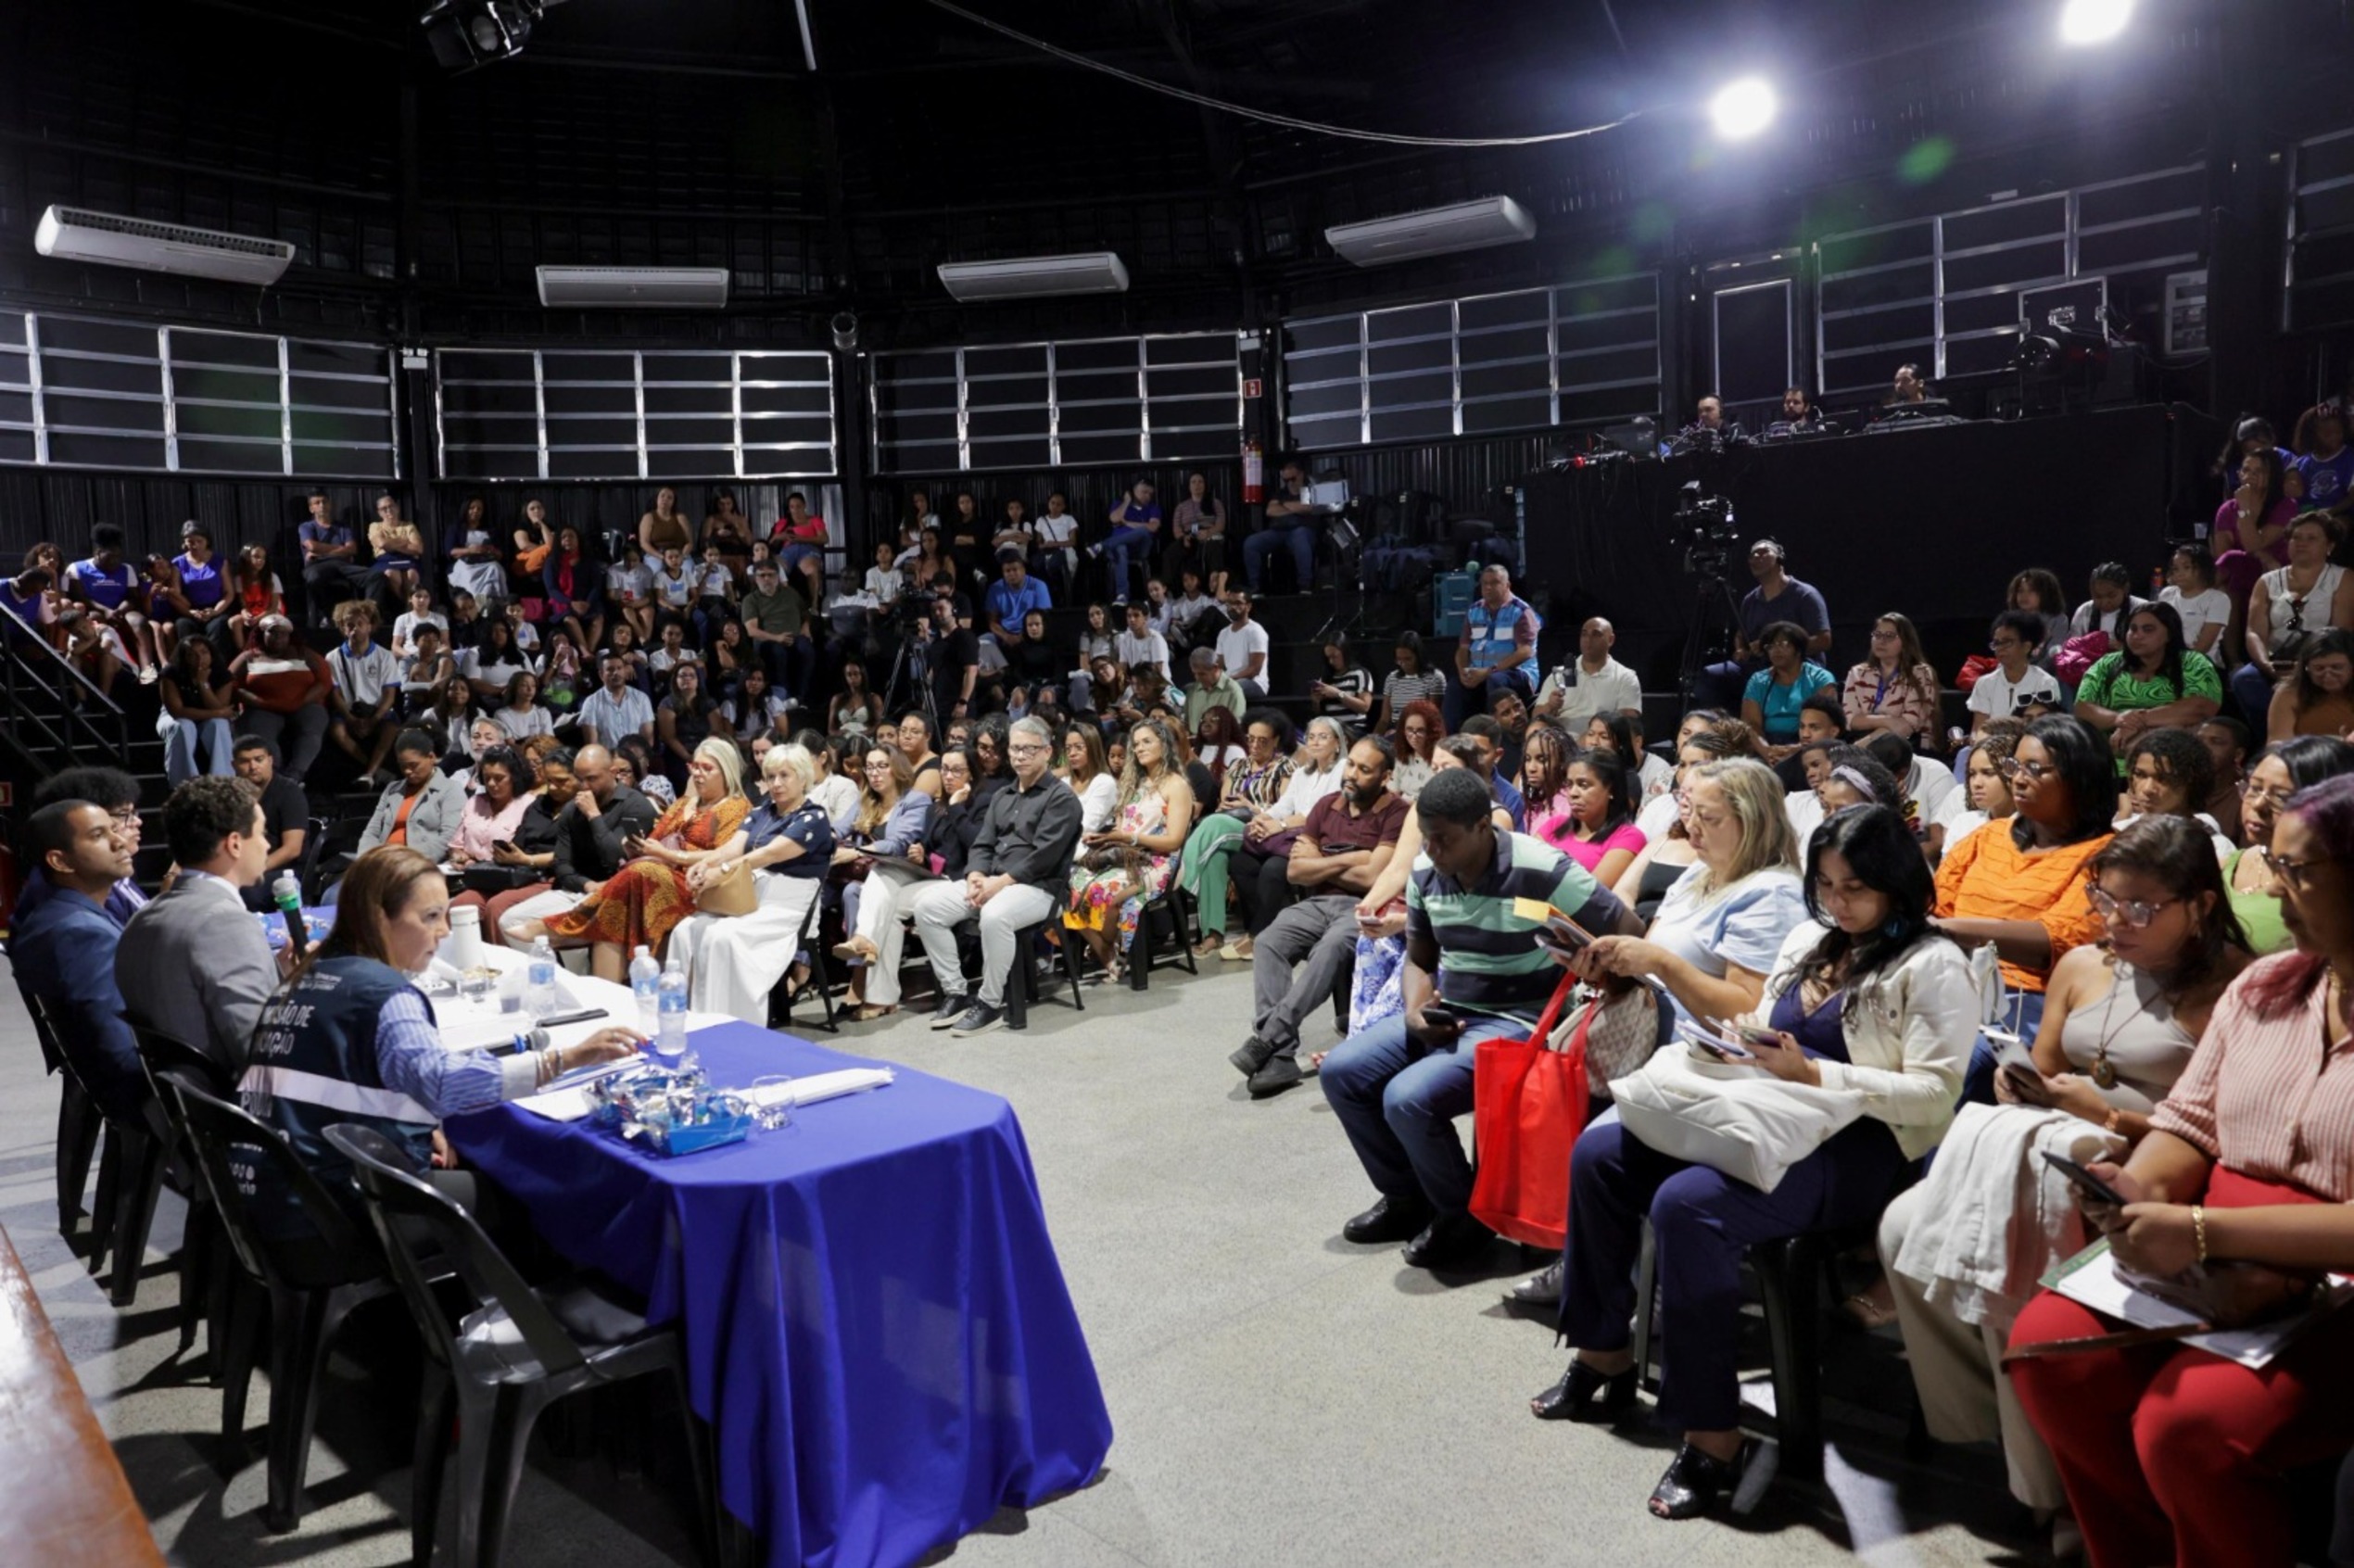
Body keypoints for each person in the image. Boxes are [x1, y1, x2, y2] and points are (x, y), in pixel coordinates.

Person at [1540, 804, 1968, 1522]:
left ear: (1899, 884)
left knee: (1688, 1204)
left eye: (1855, 888)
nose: (1838, 902)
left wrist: (1816, 1077)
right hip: (1767, 1115)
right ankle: (1602, 1354)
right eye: (1826, 885)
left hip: (1860, 1145)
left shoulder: (1933, 964)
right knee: (1600, 1153)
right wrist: (1736, 1045)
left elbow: (1935, 1096)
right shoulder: (1812, 938)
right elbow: (1759, 1026)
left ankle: (1714, 1435)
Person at [2004, 776, 2354, 1568]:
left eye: (2299, 869)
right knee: (2048, 1348)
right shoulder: (2268, 986)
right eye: (2269, 862)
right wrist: (2138, 1191)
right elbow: (2190, 1122)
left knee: (2187, 1425)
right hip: (2217, 1252)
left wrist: (2199, 1228)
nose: (2271, 884)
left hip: (2332, 1281)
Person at [1879, 816, 2251, 1536]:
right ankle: (1993, 1420)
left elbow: (2229, 1135)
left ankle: (2054, 1488)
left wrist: (2110, 1118)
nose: (2116, 921)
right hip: (2056, 1145)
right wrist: (2027, 1086)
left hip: (2159, 1172)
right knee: (1900, 1227)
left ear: (2200, 905)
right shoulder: (2084, 965)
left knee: (2010, 1247)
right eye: (2104, 901)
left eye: (2139, 908)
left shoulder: (2233, 988)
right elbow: (2048, 1068)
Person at [244, 846, 644, 1240]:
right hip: (333, 1213)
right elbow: (440, 1082)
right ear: (379, 919)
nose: (445, 931)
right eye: (431, 916)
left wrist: (418, 1116)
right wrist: (565, 1059)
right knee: (542, 1195)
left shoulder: (302, 979)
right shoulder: (385, 997)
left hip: (270, 1193)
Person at [1321, 767, 1634, 1269]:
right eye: (1426, 837)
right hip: (1454, 1007)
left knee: (1407, 1098)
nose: (1432, 850)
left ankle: (1466, 1217)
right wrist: (1416, 1008)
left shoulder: (1540, 866)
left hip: (1520, 1018)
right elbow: (1420, 958)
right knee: (1341, 1072)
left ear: (1483, 828)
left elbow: (1628, 928)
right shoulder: (1426, 870)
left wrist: (1591, 963)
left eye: (1444, 839)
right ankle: (1407, 1198)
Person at [1933, 714, 2120, 1102]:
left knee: (1950, 1064)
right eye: (2015, 765)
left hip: (2031, 1007)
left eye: (2035, 769)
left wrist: (1962, 934)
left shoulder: (2105, 856)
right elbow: (1939, 909)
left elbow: (2057, 942)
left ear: (2079, 778)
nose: (2018, 778)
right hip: (1957, 985)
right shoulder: (1988, 837)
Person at [1231, 737, 1409, 1097]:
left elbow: (1374, 878)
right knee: (1268, 941)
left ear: (1385, 776)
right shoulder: (1326, 806)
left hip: (1365, 905)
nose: (1353, 775)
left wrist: (1323, 863)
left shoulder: (1398, 813)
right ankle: (1280, 1055)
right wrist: (1354, 858)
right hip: (1316, 904)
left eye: (1364, 769)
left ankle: (1269, 1038)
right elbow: (1295, 871)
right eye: (1351, 765)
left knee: (1328, 949)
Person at [513, 737, 750, 980]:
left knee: (642, 872)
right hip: (657, 873)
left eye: (707, 768)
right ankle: (608, 1003)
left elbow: (723, 855)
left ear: (726, 771)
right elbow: (654, 839)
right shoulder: (683, 804)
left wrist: (667, 854)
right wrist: (636, 847)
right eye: (694, 767)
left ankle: (567, 927)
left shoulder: (735, 807)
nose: (698, 774)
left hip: (696, 881)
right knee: (625, 897)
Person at [907, 716, 1085, 1037]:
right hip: (992, 882)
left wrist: (997, 884)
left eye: (1028, 749)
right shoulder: (1003, 795)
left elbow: (1043, 857)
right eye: (1015, 749)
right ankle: (957, 991)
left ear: (1047, 752)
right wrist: (976, 874)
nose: (1019, 756)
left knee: (994, 915)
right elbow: (982, 843)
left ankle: (990, 1003)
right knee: (927, 907)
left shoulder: (1061, 798)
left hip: (1040, 889)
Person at [110, 776, 276, 1077]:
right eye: (262, 832)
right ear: (235, 844)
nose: (267, 844)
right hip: (234, 1109)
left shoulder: (143, 918)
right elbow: (263, 1053)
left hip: (181, 1107)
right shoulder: (225, 924)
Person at [670, 743, 836, 1024]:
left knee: (722, 937)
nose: (776, 783)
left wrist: (721, 870)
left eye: (785, 775)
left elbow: (768, 854)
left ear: (803, 777)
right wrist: (703, 865)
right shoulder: (761, 811)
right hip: (751, 894)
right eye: (771, 776)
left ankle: (732, 1022)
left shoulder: (814, 817)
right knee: (686, 929)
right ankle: (686, 1016)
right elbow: (732, 848)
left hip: (788, 906)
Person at [12, 799, 145, 1119]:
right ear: (60, 861)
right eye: (99, 835)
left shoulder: (61, 916)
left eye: (115, 830)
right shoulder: (80, 933)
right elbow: (121, 1054)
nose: (119, 841)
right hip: (146, 1100)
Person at [1064, 716, 1196, 980]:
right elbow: (1123, 831)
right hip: (1127, 858)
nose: (1140, 748)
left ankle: (1106, 950)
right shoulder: (1132, 783)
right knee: (1067, 886)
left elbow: (1173, 841)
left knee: (1109, 892)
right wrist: (1109, 840)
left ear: (1164, 745)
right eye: (1136, 744)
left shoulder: (1176, 785)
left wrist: (1129, 838)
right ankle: (1106, 950)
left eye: (1147, 741)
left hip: (1161, 862)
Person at [1221, 716, 1348, 956]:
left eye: (1323, 737)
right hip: (1291, 835)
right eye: (1311, 737)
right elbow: (1284, 804)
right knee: (1240, 863)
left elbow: (1320, 811)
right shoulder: (1302, 773)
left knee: (1273, 869)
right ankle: (1271, 929)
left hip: (1320, 839)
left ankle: (1257, 937)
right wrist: (1262, 820)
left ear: (1337, 743)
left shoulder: (1342, 769)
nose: (1315, 742)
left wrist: (1279, 825)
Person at [829, 743, 936, 1020]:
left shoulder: (915, 800)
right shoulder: (865, 800)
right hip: (869, 875)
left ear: (896, 768)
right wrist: (820, 834)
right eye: (870, 767)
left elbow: (899, 843)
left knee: (866, 884)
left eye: (882, 766)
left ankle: (860, 968)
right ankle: (861, 963)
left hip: (905, 871)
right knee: (852, 890)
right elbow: (838, 829)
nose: (875, 773)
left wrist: (855, 851)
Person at [2221, 735, 2354, 957]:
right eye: (2254, 788)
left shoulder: (2332, 887)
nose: (2258, 804)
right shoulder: (2227, 865)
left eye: (2282, 797)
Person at [2235, 512, 2354, 724]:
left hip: (2321, 659)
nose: (2301, 543)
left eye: (2311, 538)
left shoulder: (2343, 578)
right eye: (2296, 537)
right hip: (2276, 660)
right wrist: (2266, 665)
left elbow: (2340, 631)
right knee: (2244, 679)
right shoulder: (2266, 581)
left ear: (2329, 546)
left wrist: (2304, 667)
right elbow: (2254, 632)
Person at [2074, 601, 2222, 768]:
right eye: (2133, 629)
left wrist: (2140, 722)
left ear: (2169, 634)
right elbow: (2083, 708)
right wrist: (2119, 719)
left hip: (2171, 760)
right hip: (2110, 755)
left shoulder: (2193, 662)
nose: (2137, 635)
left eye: (2148, 629)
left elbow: (2200, 707)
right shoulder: (2108, 663)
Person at [451, 746, 576, 941]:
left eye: (559, 781)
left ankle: (503, 965)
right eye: (549, 781)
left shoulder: (580, 808)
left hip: (550, 877)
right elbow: (520, 841)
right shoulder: (540, 804)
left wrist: (527, 859)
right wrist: (507, 855)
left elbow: (566, 854)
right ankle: (467, 963)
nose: (552, 787)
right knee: (462, 903)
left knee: (497, 906)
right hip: (518, 873)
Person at [1701, 539, 1832, 709]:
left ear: (1779, 558)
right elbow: (1741, 635)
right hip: (1759, 665)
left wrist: (1781, 649)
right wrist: (1741, 650)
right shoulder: (1750, 600)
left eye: (1763, 552)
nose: (1756, 557)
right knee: (1711, 676)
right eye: (1752, 554)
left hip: (1799, 664)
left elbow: (1824, 640)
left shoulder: (1805, 595)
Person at [230, 614, 332, 781]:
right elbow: (231, 684)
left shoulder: (304, 654)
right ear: (262, 633)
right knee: (262, 735)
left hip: (303, 705)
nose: (278, 637)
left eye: (283, 633)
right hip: (263, 708)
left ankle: (295, 774)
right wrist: (259, 701)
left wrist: (300, 701)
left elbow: (324, 681)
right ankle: (274, 776)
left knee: (313, 725)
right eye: (273, 632)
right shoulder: (249, 657)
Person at [353, 731, 467, 867]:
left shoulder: (450, 789)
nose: (407, 771)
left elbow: (448, 837)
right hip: (382, 863)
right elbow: (372, 831)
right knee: (336, 889)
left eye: (413, 765)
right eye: (402, 766)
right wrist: (365, 859)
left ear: (431, 757)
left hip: (419, 866)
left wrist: (407, 862)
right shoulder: (392, 789)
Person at [1451, 563, 1542, 723]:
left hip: (1517, 673)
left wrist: (1488, 672)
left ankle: (1496, 735)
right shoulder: (1474, 610)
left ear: (1507, 585)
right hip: (1480, 672)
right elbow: (1463, 648)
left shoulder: (1521, 611)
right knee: (1455, 685)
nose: (1488, 587)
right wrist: (1463, 671)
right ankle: (1452, 741)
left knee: (1496, 680)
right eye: (1484, 583)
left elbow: (1525, 652)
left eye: (1494, 583)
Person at [324, 601, 403, 782]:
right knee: (337, 730)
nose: (355, 629)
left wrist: (374, 719)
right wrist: (351, 719)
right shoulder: (333, 657)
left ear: (369, 626)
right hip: (349, 711)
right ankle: (372, 767)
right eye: (350, 625)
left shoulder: (384, 656)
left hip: (377, 711)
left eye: (360, 624)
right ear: (343, 628)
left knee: (391, 728)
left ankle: (369, 774)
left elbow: (389, 695)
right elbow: (335, 693)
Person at [233, 736, 310, 912]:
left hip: (284, 869)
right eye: (245, 761)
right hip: (245, 866)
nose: (253, 767)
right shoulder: (233, 795)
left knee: (247, 893)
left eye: (258, 760)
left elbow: (292, 849)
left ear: (270, 760)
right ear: (234, 765)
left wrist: (251, 870)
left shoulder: (289, 792)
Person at [1740, 621, 1838, 762]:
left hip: (1809, 746)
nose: (1776, 650)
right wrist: (1767, 751)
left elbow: (1824, 724)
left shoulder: (1820, 678)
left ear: (1798, 650)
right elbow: (1750, 723)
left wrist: (1795, 750)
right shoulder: (1758, 680)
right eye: (1771, 646)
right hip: (1767, 747)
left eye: (1783, 644)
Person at [1841, 612, 1942, 748]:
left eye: (1889, 636)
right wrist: (1887, 721)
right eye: (1877, 635)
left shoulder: (1920, 673)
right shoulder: (1858, 673)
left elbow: (1908, 725)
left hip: (1908, 745)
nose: (1881, 641)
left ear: (1906, 641)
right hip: (1861, 739)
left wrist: (1861, 746)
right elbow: (1850, 719)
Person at [1534, 617, 1643, 731]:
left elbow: (1629, 723)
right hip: (1562, 741)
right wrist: (1550, 706)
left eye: (1596, 635)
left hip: (1601, 743)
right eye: (1584, 634)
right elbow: (1536, 717)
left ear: (1610, 640)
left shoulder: (1625, 677)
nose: (1588, 640)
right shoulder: (1559, 675)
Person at [158, 635, 240, 786]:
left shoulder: (222, 674)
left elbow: (218, 708)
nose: (199, 658)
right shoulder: (170, 673)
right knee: (183, 725)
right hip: (174, 717)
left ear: (211, 653)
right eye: (192, 654)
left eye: (204, 652)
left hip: (208, 718)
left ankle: (223, 781)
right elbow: (177, 711)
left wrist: (203, 683)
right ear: (184, 657)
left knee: (219, 724)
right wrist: (218, 713)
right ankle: (185, 783)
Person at [1968, 610, 2065, 735]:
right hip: (1992, 748)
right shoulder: (1984, 683)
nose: (2000, 648)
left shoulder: (2045, 682)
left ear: (2027, 647)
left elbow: (2045, 730)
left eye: (2007, 642)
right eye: (1997, 643)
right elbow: (1979, 729)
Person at [1943, 719, 2027, 855]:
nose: (1976, 783)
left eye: (1988, 773)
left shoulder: (2037, 830)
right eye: (1972, 774)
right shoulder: (1962, 825)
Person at [2265, 626, 2354, 743]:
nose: (2328, 675)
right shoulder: (2288, 693)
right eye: (2319, 668)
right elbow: (2278, 743)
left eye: (2336, 667)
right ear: (2307, 669)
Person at [1247, 459, 1321, 596]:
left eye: (1292, 478)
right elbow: (1270, 511)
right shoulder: (1281, 492)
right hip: (1279, 531)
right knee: (1251, 543)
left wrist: (1283, 505)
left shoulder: (1309, 489)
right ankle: (1255, 586)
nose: (1289, 483)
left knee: (1300, 537)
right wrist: (1295, 508)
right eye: (1286, 480)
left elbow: (1308, 507)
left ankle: (1305, 585)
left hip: (1302, 530)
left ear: (1300, 475)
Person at [297, 489, 370, 625]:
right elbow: (312, 546)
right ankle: (324, 615)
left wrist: (322, 552)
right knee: (314, 578)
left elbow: (353, 549)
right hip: (317, 565)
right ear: (311, 508)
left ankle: (368, 618)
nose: (322, 505)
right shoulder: (306, 527)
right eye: (317, 503)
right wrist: (342, 550)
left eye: (324, 502)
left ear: (330, 505)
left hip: (342, 566)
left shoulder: (343, 527)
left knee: (375, 575)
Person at [540, 525, 608, 656]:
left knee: (598, 618)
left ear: (578, 540)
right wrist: (571, 603)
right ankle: (585, 652)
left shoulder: (588, 560)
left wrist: (587, 603)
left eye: (571, 536)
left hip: (587, 601)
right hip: (564, 602)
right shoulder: (552, 562)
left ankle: (590, 651)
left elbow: (596, 585)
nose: (567, 539)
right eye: (563, 537)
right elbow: (552, 589)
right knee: (570, 619)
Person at [1094, 479, 1163, 603]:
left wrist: (1127, 523)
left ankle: (1101, 545)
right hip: (1118, 549)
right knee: (1121, 547)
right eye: (1144, 492)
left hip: (1140, 549)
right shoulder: (1119, 503)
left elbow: (1153, 527)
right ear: (1133, 491)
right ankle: (1122, 595)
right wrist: (1127, 501)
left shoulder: (1153, 508)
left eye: (1150, 494)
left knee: (1144, 531)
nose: (1147, 496)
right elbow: (1114, 519)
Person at [2158, 543, 2232, 661]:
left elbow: (2203, 647)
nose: (2179, 573)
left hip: (2201, 663)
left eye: (2186, 567)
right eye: (2175, 569)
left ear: (2203, 569)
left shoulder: (2218, 599)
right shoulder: (2166, 594)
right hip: (2165, 660)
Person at [1167, 471, 1229, 596]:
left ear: (1205, 485)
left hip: (1210, 533)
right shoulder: (1181, 507)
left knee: (1213, 546)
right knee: (1170, 552)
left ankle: (1214, 580)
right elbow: (1176, 529)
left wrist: (1208, 532)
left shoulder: (1214, 503)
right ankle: (1170, 589)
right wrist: (1184, 538)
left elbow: (1221, 524)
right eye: (1193, 482)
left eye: (1200, 481)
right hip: (1188, 536)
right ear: (1189, 486)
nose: (1197, 485)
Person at [576, 653, 656, 750]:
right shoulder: (591, 702)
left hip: (635, 759)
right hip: (607, 760)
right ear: (601, 674)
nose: (616, 673)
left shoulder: (641, 698)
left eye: (619, 668)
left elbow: (648, 740)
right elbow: (592, 745)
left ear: (624, 671)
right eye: (610, 669)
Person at [365, 493, 424, 608]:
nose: (388, 510)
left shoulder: (409, 526)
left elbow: (418, 548)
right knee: (391, 574)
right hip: (385, 560)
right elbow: (382, 543)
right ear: (379, 512)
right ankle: (403, 604)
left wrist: (391, 543)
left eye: (391, 506)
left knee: (412, 575)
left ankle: (410, 606)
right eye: (384, 508)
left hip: (407, 560)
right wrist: (405, 541)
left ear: (397, 508)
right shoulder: (375, 526)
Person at [1213, 588, 1272, 699]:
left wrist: (1228, 680)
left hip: (1254, 683)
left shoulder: (1256, 631)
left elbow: (1254, 670)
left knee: (1231, 689)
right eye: (1230, 603)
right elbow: (1219, 665)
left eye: (1238, 603)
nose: (1233, 607)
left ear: (1248, 606)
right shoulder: (1223, 633)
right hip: (1230, 681)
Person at [1181, 645, 1247, 731]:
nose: (1197, 678)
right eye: (1194, 674)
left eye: (1202, 674)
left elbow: (1236, 728)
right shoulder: (1193, 690)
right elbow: (1186, 722)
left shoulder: (1233, 691)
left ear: (1215, 668)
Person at [1389, 698, 1443, 801]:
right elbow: (1392, 794)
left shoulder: (1441, 761)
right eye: (1409, 730)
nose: (1414, 736)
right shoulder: (1400, 758)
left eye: (1420, 730)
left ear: (1432, 732)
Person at [1115, 600, 1170, 682]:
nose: (1132, 619)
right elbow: (1123, 667)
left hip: (1159, 684)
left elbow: (1158, 671)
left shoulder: (1156, 639)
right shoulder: (1125, 639)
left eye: (1136, 615)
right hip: (1137, 684)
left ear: (1146, 618)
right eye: (1129, 616)